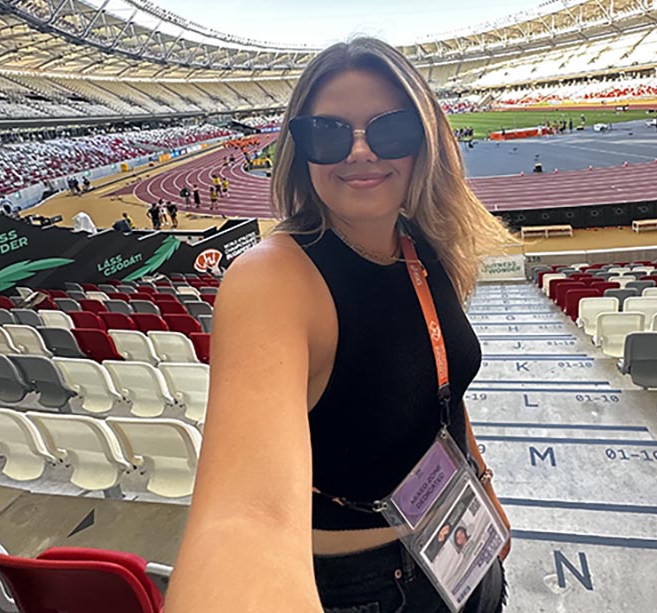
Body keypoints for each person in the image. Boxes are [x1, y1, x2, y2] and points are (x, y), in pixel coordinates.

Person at [166, 37, 512, 613]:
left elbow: (443, 391)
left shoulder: (423, 245)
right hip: (369, 588)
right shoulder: (271, 281)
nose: (359, 152)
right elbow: (245, 518)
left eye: (390, 129)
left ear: (424, 140)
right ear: (299, 151)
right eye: (327, 133)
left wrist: (485, 486)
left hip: (459, 539)